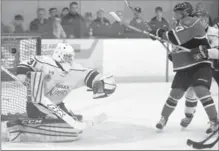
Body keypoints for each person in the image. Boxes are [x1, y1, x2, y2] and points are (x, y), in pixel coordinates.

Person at [12, 43, 116, 142]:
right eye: (66, 56)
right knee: (41, 118)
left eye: (70, 57)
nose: (69, 59)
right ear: (58, 54)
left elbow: (91, 75)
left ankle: (55, 117)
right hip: (35, 105)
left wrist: (101, 83)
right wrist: (23, 74)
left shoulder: (76, 69)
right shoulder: (44, 62)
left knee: (74, 128)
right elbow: (24, 64)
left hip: (57, 106)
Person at [150, 2, 218, 131]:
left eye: (178, 11)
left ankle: (214, 120)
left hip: (200, 64)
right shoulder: (180, 24)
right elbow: (178, 45)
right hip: (186, 66)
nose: (175, 14)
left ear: (185, 12)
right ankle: (163, 118)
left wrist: (159, 32)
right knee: (175, 93)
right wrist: (174, 55)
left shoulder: (190, 21)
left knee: (200, 90)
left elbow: (175, 38)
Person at [181, 21, 219, 133]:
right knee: (193, 89)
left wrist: (205, 52)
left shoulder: (215, 32)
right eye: (198, 18)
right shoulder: (193, 31)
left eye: (203, 18)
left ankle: (214, 121)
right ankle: (189, 116)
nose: (201, 21)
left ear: (207, 19)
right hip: (202, 65)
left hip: (216, 65)